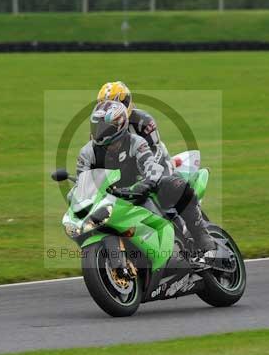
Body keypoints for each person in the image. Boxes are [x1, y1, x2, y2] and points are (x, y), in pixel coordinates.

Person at [76, 99, 216, 260]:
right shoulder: (87, 153)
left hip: (141, 189)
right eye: (96, 127)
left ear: (120, 125)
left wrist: (147, 183)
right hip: (114, 198)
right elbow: (82, 180)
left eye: (104, 128)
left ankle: (203, 238)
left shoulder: (136, 142)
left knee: (177, 185)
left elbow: (151, 166)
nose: (100, 132)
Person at [96, 81, 173, 174]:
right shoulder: (98, 129)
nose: (109, 111)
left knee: (162, 183)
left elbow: (156, 150)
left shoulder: (143, 121)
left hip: (154, 166)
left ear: (125, 102)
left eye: (113, 106)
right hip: (121, 173)